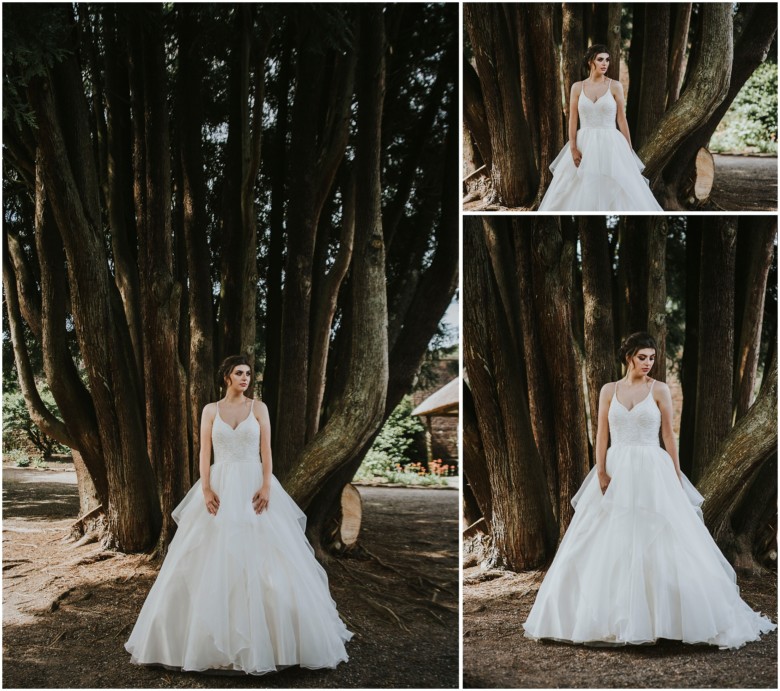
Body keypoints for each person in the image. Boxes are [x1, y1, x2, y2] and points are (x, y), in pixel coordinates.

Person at [523, 333, 776, 649]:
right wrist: (601, 471)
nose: (648, 363)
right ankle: (598, 618)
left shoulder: (660, 390)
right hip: (616, 467)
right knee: (604, 540)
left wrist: (675, 474)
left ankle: (664, 621)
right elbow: (601, 433)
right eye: (642, 357)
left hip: (651, 468)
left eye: (652, 358)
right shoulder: (608, 391)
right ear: (628, 356)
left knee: (658, 539)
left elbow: (669, 435)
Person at [125, 355, 352, 674]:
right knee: (211, 555)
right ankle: (203, 642)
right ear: (226, 377)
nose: (245, 378)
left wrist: (266, 487)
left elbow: (267, 451)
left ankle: (272, 643)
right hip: (219, 484)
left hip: (253, 484)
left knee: (266, 555)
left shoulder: (258, 408)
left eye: (248, 373)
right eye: (239, 373)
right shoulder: (210, 410)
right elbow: (204, 451)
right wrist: (205, 488)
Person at [538, 45, 663, 211]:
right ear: (591, 62)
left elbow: (621, 118)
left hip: (611, 143)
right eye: (600, 59)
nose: (605, 63)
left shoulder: (615, 86)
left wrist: (629, 149)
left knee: (618, 185)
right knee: (574, 188)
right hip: (584, 144)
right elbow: (573, 120)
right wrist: (573, 148)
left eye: (607, 60)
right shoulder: (577, 87)